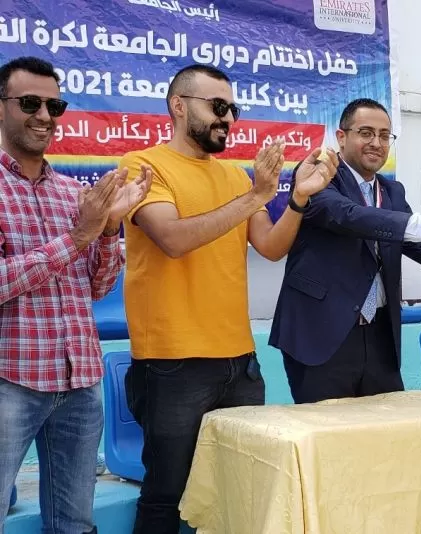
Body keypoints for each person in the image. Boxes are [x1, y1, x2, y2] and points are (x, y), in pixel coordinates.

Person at [119, 64, 337, 534]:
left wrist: (297, 198)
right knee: (167, 494)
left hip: (239, 361)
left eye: (232, 109)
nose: (228, 119)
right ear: (178, 106)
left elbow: (272, 248)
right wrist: (257, 193)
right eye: (217, 107)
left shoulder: (237, 177)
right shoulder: (142, 165)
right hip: (171, 361)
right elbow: (173, 239)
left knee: (238, 487)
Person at [0, 57, 151, 533]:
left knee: (74, 524)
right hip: (11, 380)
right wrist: (78, 238)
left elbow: (97, 287)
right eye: (30, 103)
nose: (45, 115)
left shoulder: (72, 193)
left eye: (54, 104)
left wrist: (108, 230)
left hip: (80, 380)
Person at [270, 98, 421, 404]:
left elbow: (419, 243)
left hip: (380, 338)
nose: (376, 143)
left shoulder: (391, 191)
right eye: (366, 132)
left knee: (384, 436)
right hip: (321, 335)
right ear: (341, 137)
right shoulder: (318, 177)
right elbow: (348, 216)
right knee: (328, 439)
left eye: (385, 135)